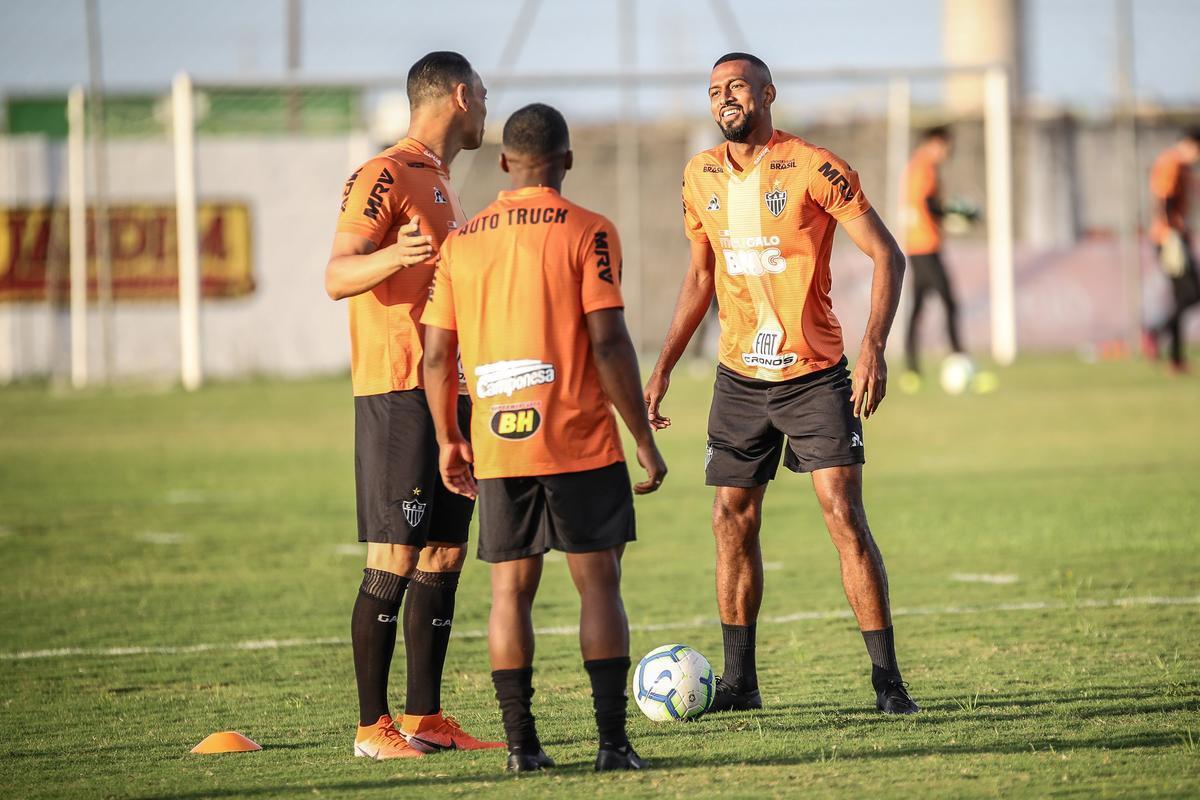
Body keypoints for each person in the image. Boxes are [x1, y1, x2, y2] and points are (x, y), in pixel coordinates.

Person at [643, 52, 918, 715]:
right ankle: (740, 686)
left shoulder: (816, 167)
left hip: (815, 377)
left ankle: (888, 684)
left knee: (844, 518)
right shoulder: (699, 174)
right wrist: (663, 365)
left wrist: (874, 345)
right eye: (713, 90)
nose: (724, 98)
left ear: (767, 93)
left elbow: (888, 254)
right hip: (739, 380)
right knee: (730, 521)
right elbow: (701, 277)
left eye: (736, 86)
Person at [422, 103, 668, 772]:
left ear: (504, 162)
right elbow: (609, 340)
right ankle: (613, 746)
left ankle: (523, 748)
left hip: (500, 447)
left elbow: (438, 356)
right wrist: (641, 436)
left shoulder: (462, 242)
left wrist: (449, 437)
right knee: (599, 589)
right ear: (567, 158)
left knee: (510, 595)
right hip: (579, 442)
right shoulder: (589, 231)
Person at [323, 51, 502, 759]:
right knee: (394, 553)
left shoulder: (443, 183)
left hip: (450, 392)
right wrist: (392, 258)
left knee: (445, 553)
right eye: (482, 95)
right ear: (459, 95)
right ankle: (372, 730)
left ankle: (426, 720)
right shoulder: (384, 173)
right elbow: (337, 275)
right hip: (398, 390)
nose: (487, 107)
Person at [902, 126, 966, 388]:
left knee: (918, 308)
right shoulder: (923, 167)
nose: (947, 153)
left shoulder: (916, 166)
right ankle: (959, 359)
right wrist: (952, 212)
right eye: (945, 147)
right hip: (925, 246)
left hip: (918, 246)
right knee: (949, 303)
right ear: (934, 143)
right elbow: (927, 203)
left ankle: (912, 369)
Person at [1143, 129, 1200, 373]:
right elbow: (1164, 198)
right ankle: (1156, 330)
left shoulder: (1184, 169)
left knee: (1183, 296)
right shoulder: (1171, 162)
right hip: (1170, 238)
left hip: (1176, 236)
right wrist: (1172, 234)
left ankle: (1176, 359)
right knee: (1192, 293)